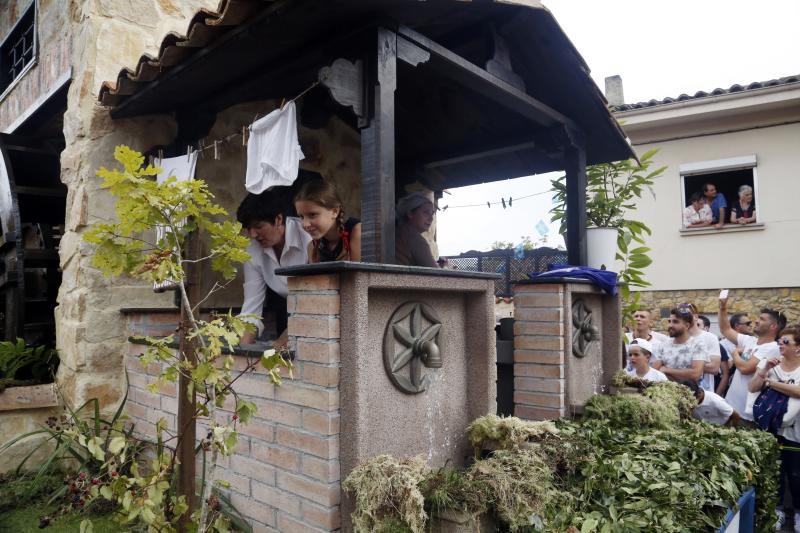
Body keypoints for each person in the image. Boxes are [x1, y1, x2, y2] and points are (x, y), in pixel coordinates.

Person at [236, 189, 312, 345]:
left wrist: (279, 345)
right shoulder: (252, 250)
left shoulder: (308, 238)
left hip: (320, 315)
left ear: (278, 219)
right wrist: (240, 354)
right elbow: (251, 310)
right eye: (248, 229)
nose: (253, 235)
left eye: (258, 226)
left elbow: (314, 302)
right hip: (291, 314)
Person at [747, 326, 800, 531]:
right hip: (772, 429)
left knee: (796, 474)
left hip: (796, 432)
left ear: (798, 348)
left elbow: (798, 391)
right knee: (775, 471)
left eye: (786, 342)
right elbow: (752, 388)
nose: (780, 344)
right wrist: (764, 369)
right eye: (780, 341)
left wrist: (771, 383)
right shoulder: (771, 364)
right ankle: (776, 510)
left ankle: (797, 511)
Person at [719, 294, 784, 423]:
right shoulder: (750, 340)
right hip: (730, 406)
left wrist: (735, 353)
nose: (756, 321)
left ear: (773, 326)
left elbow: (745, 368)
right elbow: (725, 329)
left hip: (746, 415)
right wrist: (722, 307)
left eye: (762, 319)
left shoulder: (772, 348)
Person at [294, 180, 361, 263]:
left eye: (312, 214)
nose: (305, 224)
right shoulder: (312, 247)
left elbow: (359, 275)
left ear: (334, 212)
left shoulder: (357, 232)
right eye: (301, 216)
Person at [651, 308, 707, 383]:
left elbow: (695, 375)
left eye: (675, 322)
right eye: (669, 321)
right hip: (665, 391)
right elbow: (655, 372)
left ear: (687, 325)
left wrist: (666, 369)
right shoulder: (663, 345)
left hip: (690, 392)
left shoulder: (697, 345)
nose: (670, 325)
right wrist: (684, 373)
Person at [682, 304, 721, 392]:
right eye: (680, 316)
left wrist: (681, 364)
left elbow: (714, 368)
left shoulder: (710, 337)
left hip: (703, 393)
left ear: (695, 317)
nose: (683, 318)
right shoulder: (674, 338)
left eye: (686, 315)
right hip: (680, 391)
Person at [395, 192, 438, 268]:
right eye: (426, 212)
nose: (431, 218)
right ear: (410, 214)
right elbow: (436, 273)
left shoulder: (400, 231)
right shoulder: (412, 236)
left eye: (432, 214)